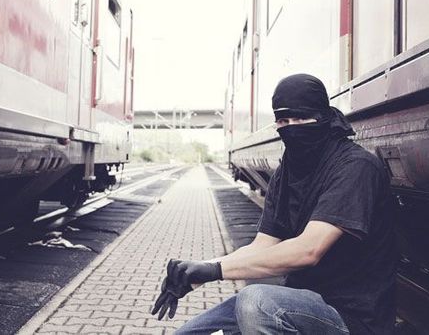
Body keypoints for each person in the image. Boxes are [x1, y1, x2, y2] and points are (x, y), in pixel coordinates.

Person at [151, 74, 397, 334]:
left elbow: (308, 250)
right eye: (283, 120)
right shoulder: (288, 169)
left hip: (349, 318)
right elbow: (263, 245)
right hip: (297, 304)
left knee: (256, 301)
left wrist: (216, 271)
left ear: (323, 116)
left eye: (301, 118)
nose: (291, 128)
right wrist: (196, 272)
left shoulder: (355, 167)